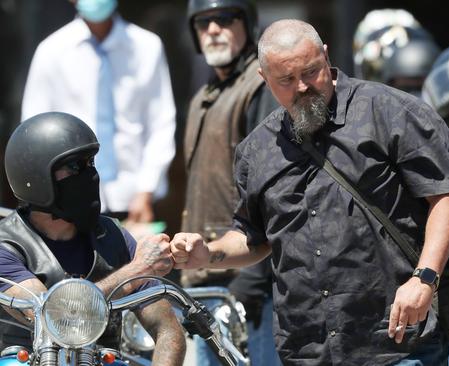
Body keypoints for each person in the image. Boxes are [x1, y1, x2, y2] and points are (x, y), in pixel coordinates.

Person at [171, 19, 449, 365]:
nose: (302, 87)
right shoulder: (256, 151)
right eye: (286, 80)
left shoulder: (389, 112)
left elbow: (445, 196)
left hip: (398, 344)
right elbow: (254, 237)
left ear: (326, 56)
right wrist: (210, 253)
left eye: (311, 72)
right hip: (307, 350)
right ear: (264, 79)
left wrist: (425, 278)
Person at [0, 112, 185, 365]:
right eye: (76, 166)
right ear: (35, 176)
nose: (89, 175)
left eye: (91, 164)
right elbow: (55, 317)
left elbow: (168, 331)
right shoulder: (7, 245)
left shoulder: (113, 236)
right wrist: (137, 270)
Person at [182, 0, 280, 365]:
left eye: (224, 19)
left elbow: (273, 190)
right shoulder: (206, 96)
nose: (212, 30)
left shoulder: (260, 86)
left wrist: (249, 283)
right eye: (203, 23)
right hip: (209, 278)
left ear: (248, 24)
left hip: (250, 285)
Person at [21, 0, 176, 223]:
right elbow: (33, 131)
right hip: (70, 196)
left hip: (135, 199)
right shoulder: (51, 51)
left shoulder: (147, 46)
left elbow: (161, 123)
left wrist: (146, 190)